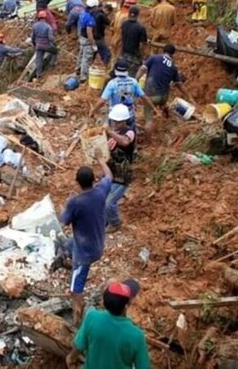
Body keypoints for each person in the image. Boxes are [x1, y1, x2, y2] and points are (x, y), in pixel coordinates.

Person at [61, 152, 112, 325]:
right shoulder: (100, 192)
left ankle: (77, 320)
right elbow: (109, 176)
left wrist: (66, 204)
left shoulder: (75, 202)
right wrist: (100, 160)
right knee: (66, 243)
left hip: (85, 254)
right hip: (97, 243)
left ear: (77, 182)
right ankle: (64, 259)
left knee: (75, 290)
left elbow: (64, 221)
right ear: (93, 180)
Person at [66, 280, 150, 369]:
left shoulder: (92, 318)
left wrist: (70, 358)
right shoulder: (136, 336)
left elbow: (78, 347)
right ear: (126, 305)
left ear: (104, 301)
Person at [136, 44, 192, 132]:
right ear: (173, 54)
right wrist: (190, 98)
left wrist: (135, 80)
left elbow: (142, 69)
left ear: (163, 50)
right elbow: (179, 85)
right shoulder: (173, 67)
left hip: (152, 95)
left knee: (149, 118)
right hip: (164, 97)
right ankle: (166, 121)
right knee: (163, 104)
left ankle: (150, 141)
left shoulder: (154, 58)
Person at [90, 59, 159, 129]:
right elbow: (144, 97)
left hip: (115, 116)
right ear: (127, 70)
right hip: (129, 114)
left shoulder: (112, 83)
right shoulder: (134, 82)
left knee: (111, 133)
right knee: (130, 134)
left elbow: (102, 101)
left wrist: (93, 111)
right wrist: (154, 108)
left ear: (115, 70)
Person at [103, 104, 137, 230]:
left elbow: (125, 141)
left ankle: (115, 223)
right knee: (104, 198)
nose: (115, 124)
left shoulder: (129, 131)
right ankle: (106, 220)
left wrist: (110, 132)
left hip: (122, 174)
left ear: (124, 121)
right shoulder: (112, 132)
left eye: (118, 122)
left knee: (109, 202)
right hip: (110, 172)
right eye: (114, 122)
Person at [119, 6, 149, 77]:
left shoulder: (124, 24)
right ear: (138, 15)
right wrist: (142, 56)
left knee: (122, 74)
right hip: (134, 56)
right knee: (132, 76)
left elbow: (121, 38)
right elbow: (142, 45)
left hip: (124, 54)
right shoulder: (141, 28)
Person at [76, 0, 99, 83]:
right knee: (87, 58)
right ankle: (83, 77)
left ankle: (78, 70)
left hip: (82, 37)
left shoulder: (83, 13)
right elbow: (89, 32)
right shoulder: (90, 18)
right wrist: (93, 44)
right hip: (87, 39)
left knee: (81, 54)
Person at [32, 10, 57, 78]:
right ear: (45, 18)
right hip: (46, 45)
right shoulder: (47, 26)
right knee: (55, 51)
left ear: (38, 17)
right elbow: (50, 38)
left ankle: (38, 74)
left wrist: (35, 44)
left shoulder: (34, 26)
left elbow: (33, 37)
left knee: (39, 60)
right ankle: (52, 64)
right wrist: (55, 44)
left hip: (38, 45)